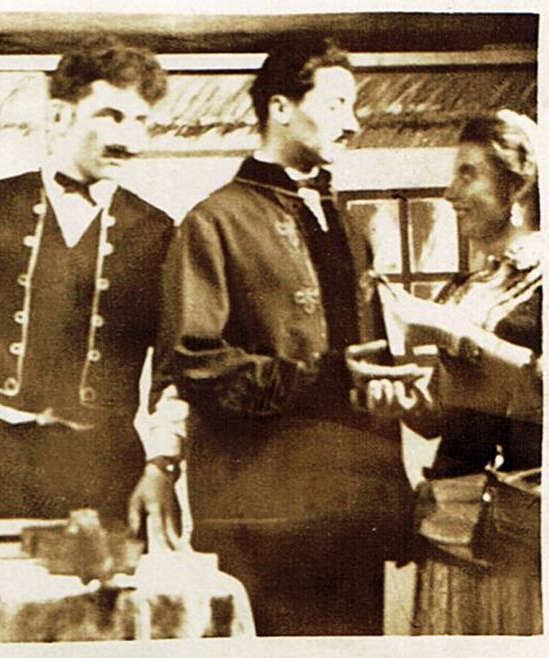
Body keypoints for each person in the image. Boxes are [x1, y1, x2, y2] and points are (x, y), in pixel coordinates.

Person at [154, 37, 412, 635]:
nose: (353, 123)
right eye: (337, 104)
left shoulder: (347, 223)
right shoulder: (213, 222)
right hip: (263, 514)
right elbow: (194, 362)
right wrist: (323, 377)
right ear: (280, 107)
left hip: (354, 510)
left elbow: (370, 359)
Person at [0, 36, 178, 549]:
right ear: (60, 116)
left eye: (140, 121)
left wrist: (161, 463)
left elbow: (171, 372)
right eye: (111, 116)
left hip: (108, 472)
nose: (130, 139)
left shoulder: (158, 231)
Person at [351, 110, 541, 634]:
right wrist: (399, 399)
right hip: (449, 528)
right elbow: (439, 417)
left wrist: (450, 331)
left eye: (467, 174)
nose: (450, 192)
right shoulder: (462, 290)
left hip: (523, 539)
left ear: (519, 185)